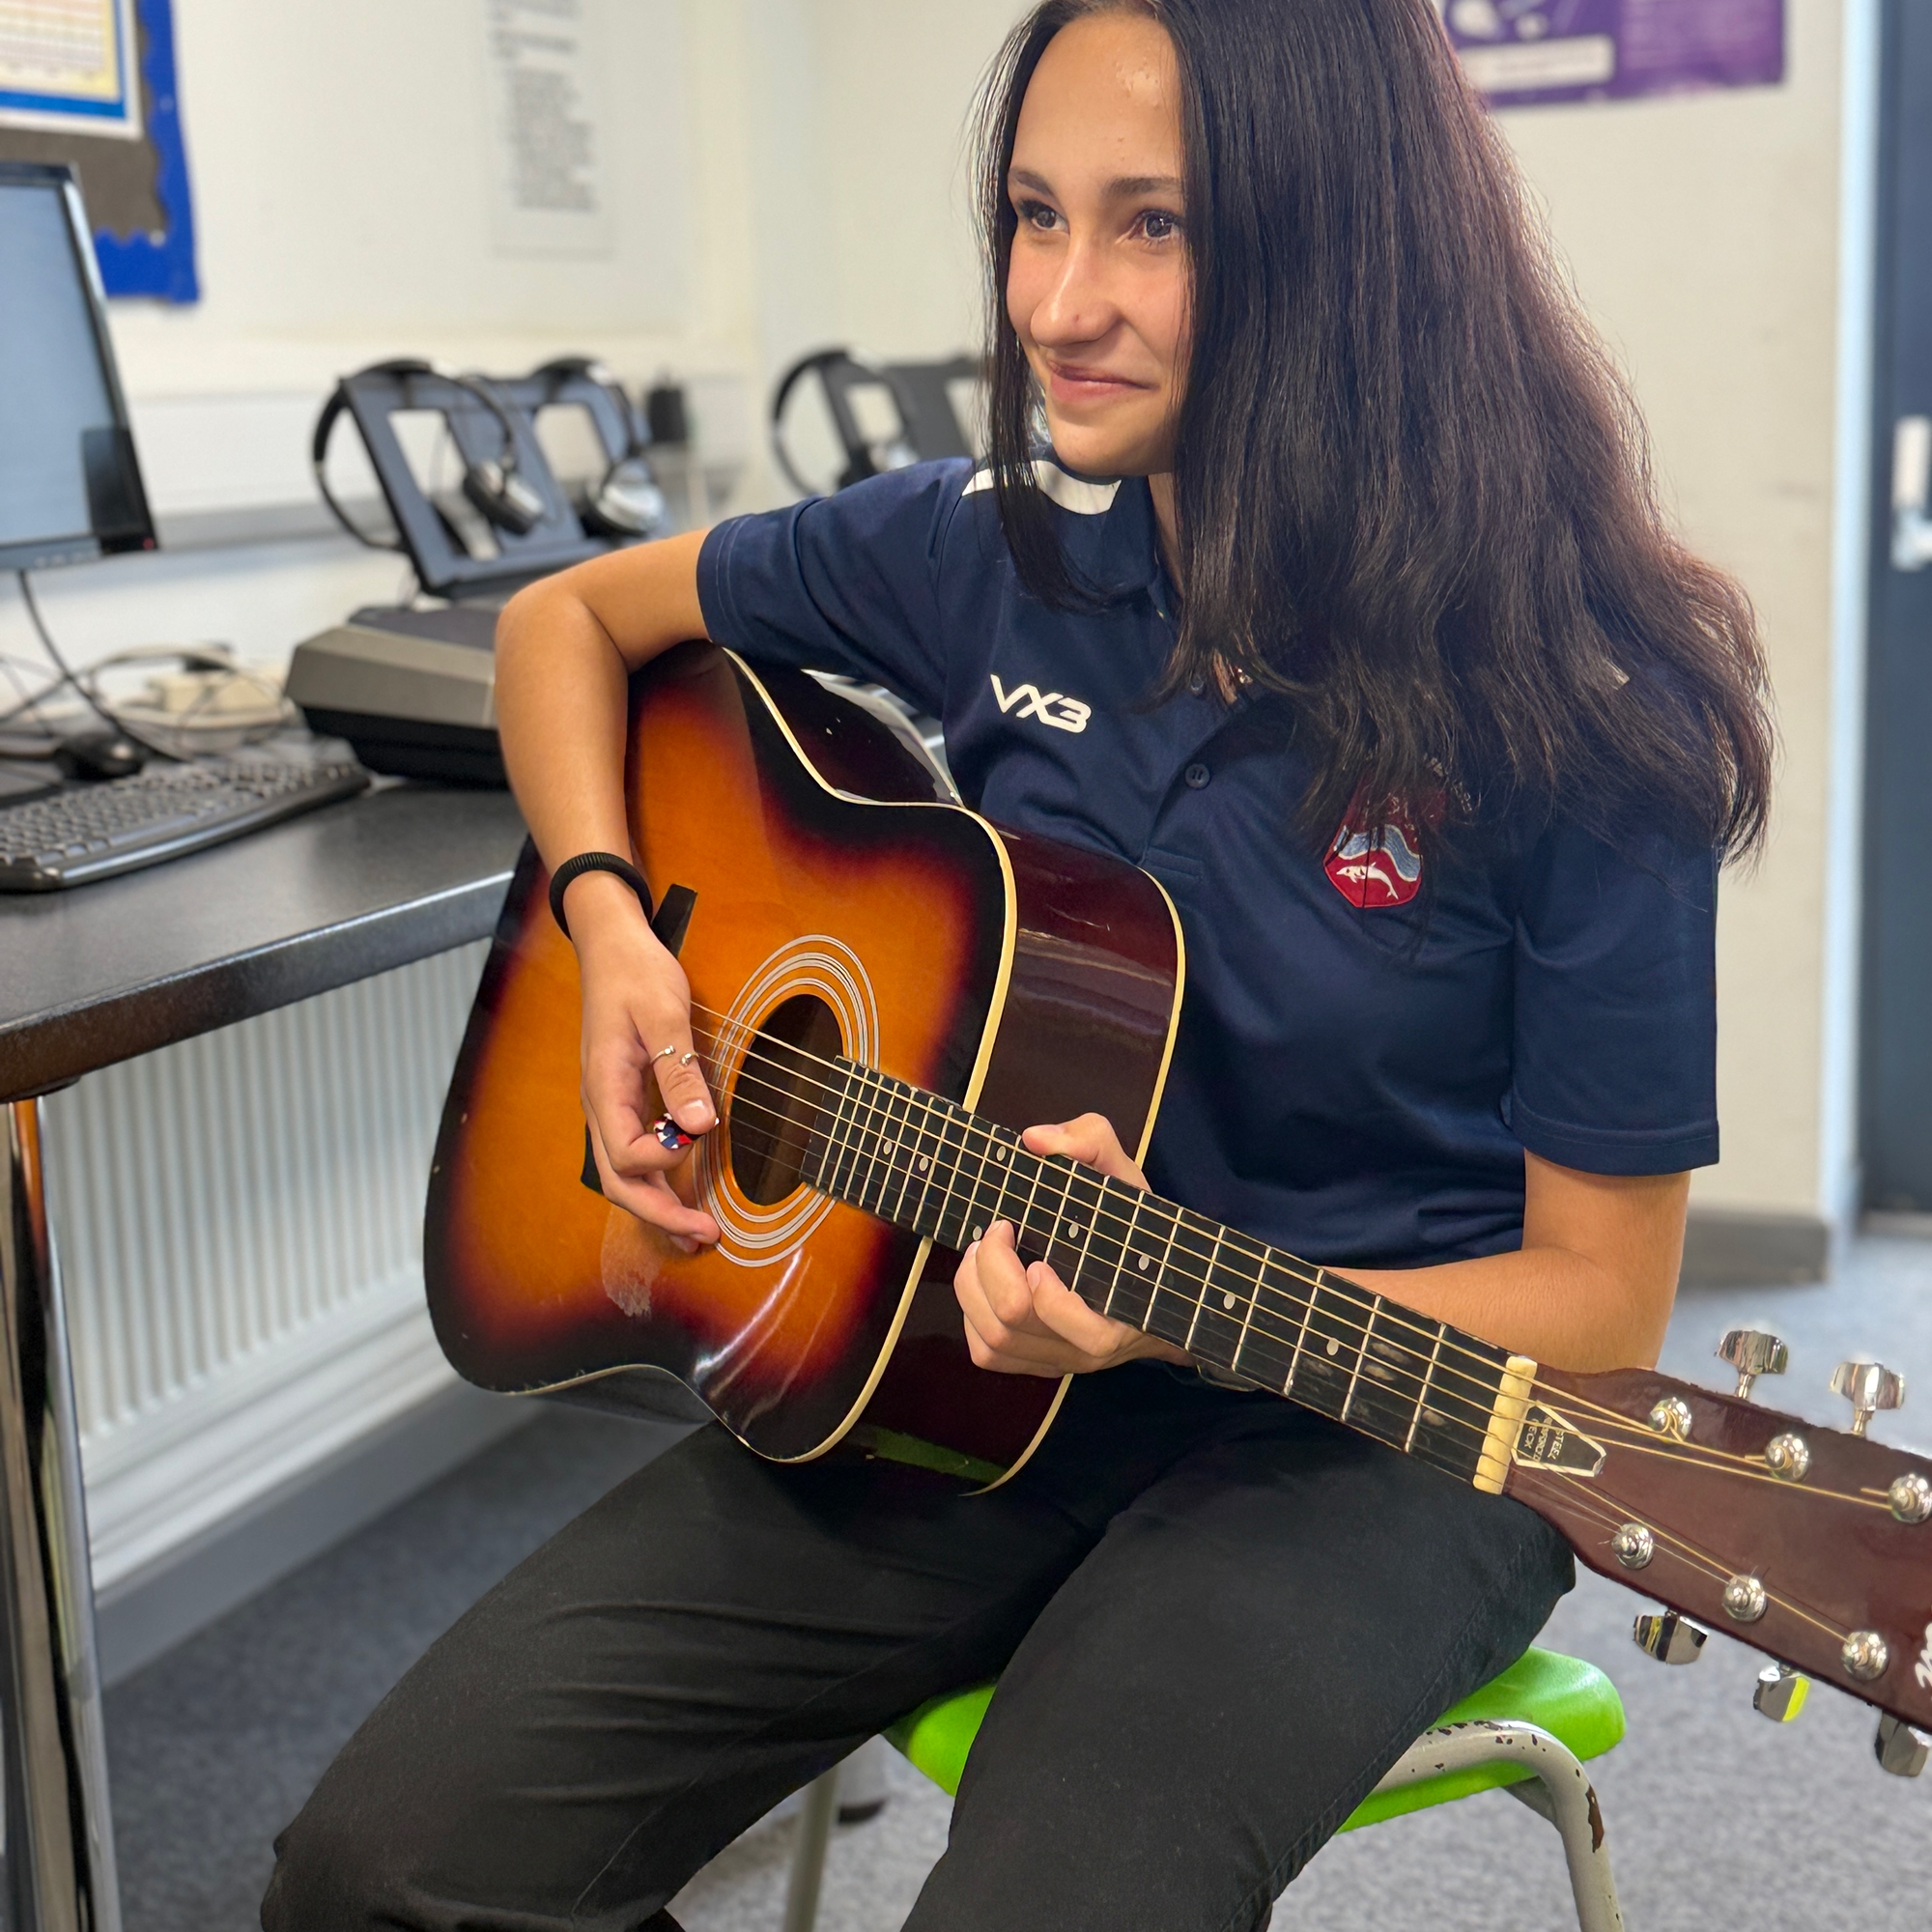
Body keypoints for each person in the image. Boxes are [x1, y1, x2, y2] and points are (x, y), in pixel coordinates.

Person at [263, 2, 1773, 1926]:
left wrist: (1169, 1310)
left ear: (1338, 244)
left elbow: (1601, 1304)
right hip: (951, 1364)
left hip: (1374, 1435)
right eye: (1030, 216)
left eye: (1153, 226)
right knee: (375, 1872)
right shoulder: (989, 551)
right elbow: (563, 621)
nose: (1058, 301)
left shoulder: (1584, 709)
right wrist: (613, 923)